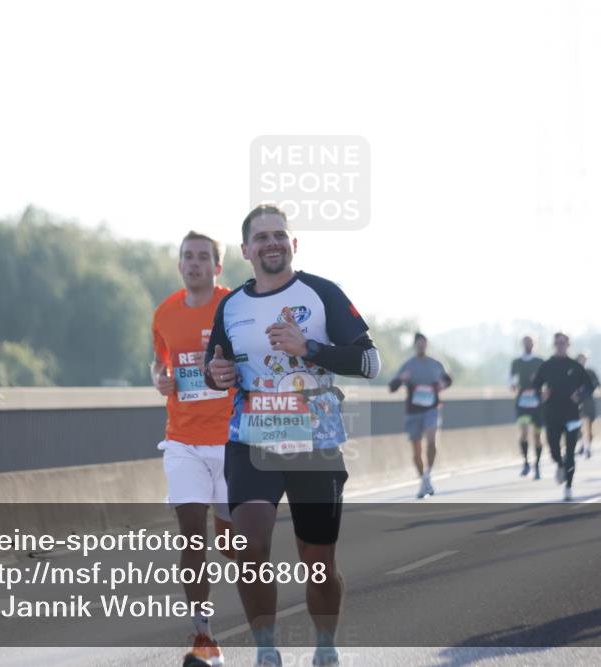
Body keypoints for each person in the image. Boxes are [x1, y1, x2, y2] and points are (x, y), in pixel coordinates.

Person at [204, 205, 381, 667]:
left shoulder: (321, 293)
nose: (271, 243)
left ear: (293, 243)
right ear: (246, 250)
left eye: (279, 235)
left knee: (318, 557)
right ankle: (267, 651)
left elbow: (370, 363)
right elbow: (214, 369)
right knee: (250, 546)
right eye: (260, 237)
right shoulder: (231, 305)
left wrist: (310, 349)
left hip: (314, 441)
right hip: (252, 438)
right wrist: (216, 373)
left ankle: (325, 647)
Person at [151, 231, 237, 667]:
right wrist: (159, 379)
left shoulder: (234, 305)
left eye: (204, 257)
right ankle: (203, 636)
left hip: (230, 439)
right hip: (182, 438)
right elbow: (160, 362)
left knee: (232, 540)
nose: (195, 263)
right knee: (191, 533)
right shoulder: (164, 312)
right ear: (180, 263)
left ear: (217, 267)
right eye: (188, 256)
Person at [532, 333, 595, 501]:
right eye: (557, 343)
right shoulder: (547, 366)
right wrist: (541, 394)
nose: (560, 345)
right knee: (553, 449)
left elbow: (589, 387)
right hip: (552, 414)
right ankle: (559, 465)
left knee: (570, 451)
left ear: (568, 345)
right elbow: (536, 386)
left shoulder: (575, 366)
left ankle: (568, 487)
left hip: (572, 415)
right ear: (554, 345)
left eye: (563, 343)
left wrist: (579, 395)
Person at [389, 333, 452, 498]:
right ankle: (424, 482)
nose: (421, 347)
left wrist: (442, 385)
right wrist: (402, 379)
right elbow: (392, 386)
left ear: (427, 345)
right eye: (418, 345)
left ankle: (429, 473)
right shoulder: (407, 365)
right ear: (415, 346)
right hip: (413, 411)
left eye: (423, 344)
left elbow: (448, 379)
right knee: (416, 451)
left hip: (431, 408)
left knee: (432, 440)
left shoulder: (436, 364)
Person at [509, 335, 545, 479]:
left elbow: (546, 379)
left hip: (537, 404)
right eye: (525, 343)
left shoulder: (539, 361)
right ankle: (525, 462)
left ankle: (537, 465)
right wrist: (512, 385)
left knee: (537, 436)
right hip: (523, 402)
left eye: (530, 343)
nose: (528, 345)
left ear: (534, 344)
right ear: (522, 344)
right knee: (524, 432)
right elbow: (510, 378)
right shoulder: (516, 362)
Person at [575, 353, 600, 458]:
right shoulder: (573, 372)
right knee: (577, 426)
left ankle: (588, 447)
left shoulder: (590, 372)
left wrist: (587, 388)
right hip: (576, 401)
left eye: (583, 359)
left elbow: (597, 384)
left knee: (589, 425)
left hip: (588, 400)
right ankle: (582, 444)